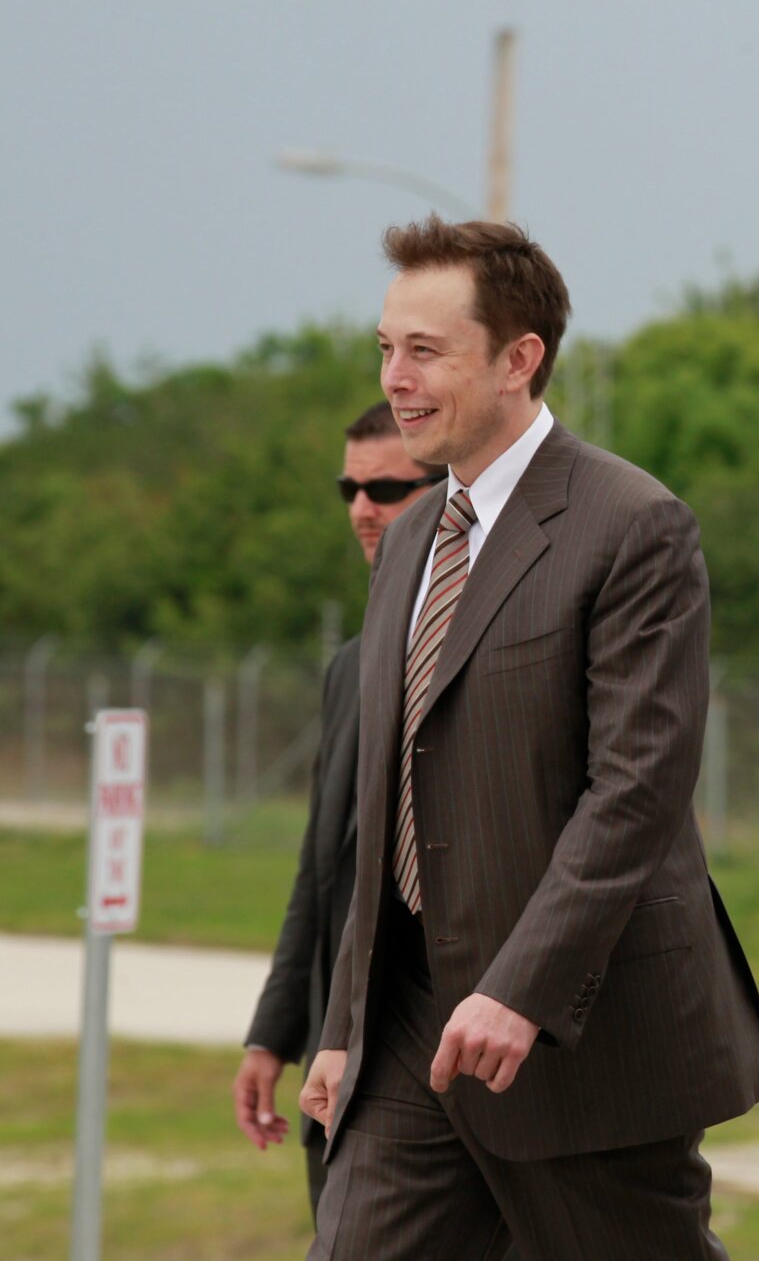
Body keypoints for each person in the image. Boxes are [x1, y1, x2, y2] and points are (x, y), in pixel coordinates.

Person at [298, 216, 759, 1260]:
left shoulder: (632, 523)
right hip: (410, 1022)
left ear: (521, 358)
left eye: (426, 350)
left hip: (578, 1028)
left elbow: (638, 787)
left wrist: (522, 986)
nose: (396, 378)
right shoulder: (413, 539)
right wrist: (344, 1020)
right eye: (386, 347)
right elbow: (388, 800)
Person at [232, 399, 444, 1217]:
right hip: (340, 1060)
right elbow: (322, 873)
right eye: (348, 488)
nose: (362, 509)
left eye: (387, 487)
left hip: (439, 1061)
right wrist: (273, 1032)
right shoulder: (351, 663)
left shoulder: (495, 645)